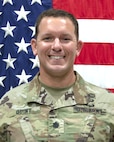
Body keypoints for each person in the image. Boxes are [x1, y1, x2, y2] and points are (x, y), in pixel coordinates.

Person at [0, 8, 114, 142]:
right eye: (48, 38)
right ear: (35, 46)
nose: (56, 46)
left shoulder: (108, 104)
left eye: (65, 39)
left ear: (78, 47)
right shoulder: (8, 105)